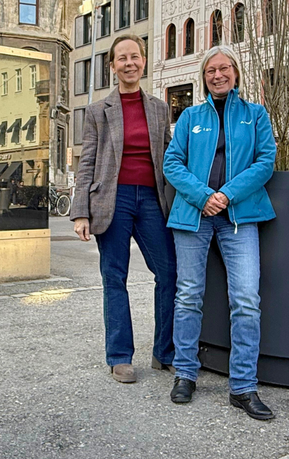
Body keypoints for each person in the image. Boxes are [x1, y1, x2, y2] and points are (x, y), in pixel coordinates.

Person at [163, 45, 276, 419]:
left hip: (239, 217)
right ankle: (185, 374)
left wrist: (227, 195)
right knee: (188, 296)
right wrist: (203, 196)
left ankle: (243, 386)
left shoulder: (255, 115)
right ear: (204, 77)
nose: (218, 75)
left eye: (224, 68)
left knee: (246, 299)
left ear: (236, 72)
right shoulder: (190, 117)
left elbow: (265, 161)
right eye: (210, 70)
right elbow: (172, 163)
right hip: (194, 216)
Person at [70, 34, 176, 384]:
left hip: (151, 199)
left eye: (135, 57)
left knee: (169, 272)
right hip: (111, 199)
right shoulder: (98, 111)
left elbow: (170, 158)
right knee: (114, 276)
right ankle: (119, 356)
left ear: (143, 61)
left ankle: (165, 352)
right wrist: (81, 211)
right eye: (122, 58)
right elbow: (87, 162)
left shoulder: (159, 109)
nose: (129, 63)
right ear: (112, 66)